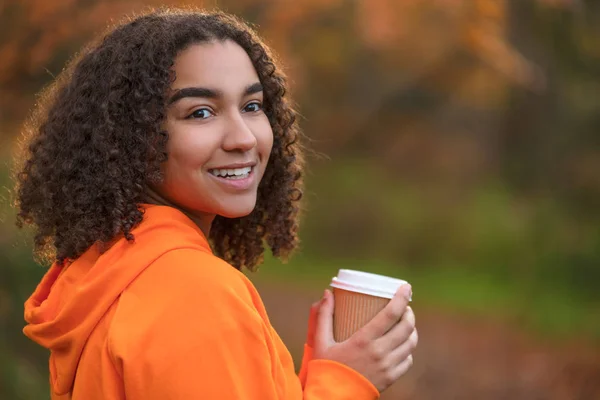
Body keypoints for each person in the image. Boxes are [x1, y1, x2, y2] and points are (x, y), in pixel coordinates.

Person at [15, 7, 418, 400]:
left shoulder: (104, 271)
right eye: (200, 112)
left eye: (252, 106)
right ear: (128, 138)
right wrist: (347, 382)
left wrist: (324, 371)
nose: (243, 137)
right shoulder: (193, 291)